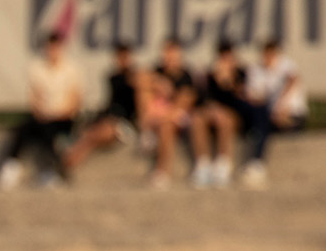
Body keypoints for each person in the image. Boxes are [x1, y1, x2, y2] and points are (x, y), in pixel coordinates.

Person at [0, 32, 82, 188]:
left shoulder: (71, 69)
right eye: (50, 48)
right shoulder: (37, 68)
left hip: (63, 118)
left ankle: (50, 171)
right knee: (23, 130)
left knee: (48, 132)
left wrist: (55, 114)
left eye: (55, 48)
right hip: (43, 117)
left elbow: (74, 102)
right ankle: (12, 168)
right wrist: (44, 113)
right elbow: (35, 98)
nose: (52, 51)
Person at [62, 42, 140, 178]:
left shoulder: (137, 78)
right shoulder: (112, 77)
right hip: (112, 120)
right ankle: (69, 161)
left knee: (92, 136)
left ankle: (68, 161)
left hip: (126, 124)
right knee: (90, 134)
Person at [240, 38, 308, 188]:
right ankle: (256, 163)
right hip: (270, 116)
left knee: (262, 123)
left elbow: (292, 81)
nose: (268, 58)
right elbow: (254, 96)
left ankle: (256, 162)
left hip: (292, 116)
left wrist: (280, 107)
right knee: (261, 119)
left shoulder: (287, 66)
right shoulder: (257, 69)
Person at [137, 39, 197, 188]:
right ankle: (147, 131)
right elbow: (140, 78)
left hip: (177, 116)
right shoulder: (158, 71)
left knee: (167, 126)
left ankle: (163, 170)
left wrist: (169, 92)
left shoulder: (186, 76)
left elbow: (184, 102)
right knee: (143, 91)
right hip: (157, 114)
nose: (169, 58)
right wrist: (158, 83)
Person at [192, 41, 247, 188]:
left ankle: (223, 165)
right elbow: (203, 100)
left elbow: (242, 100)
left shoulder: (241, 74)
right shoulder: (211, 76)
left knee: (225, 120)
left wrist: (228, 83)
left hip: (235, 115)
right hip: (213, 113)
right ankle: (203, 165)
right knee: (197, 119)